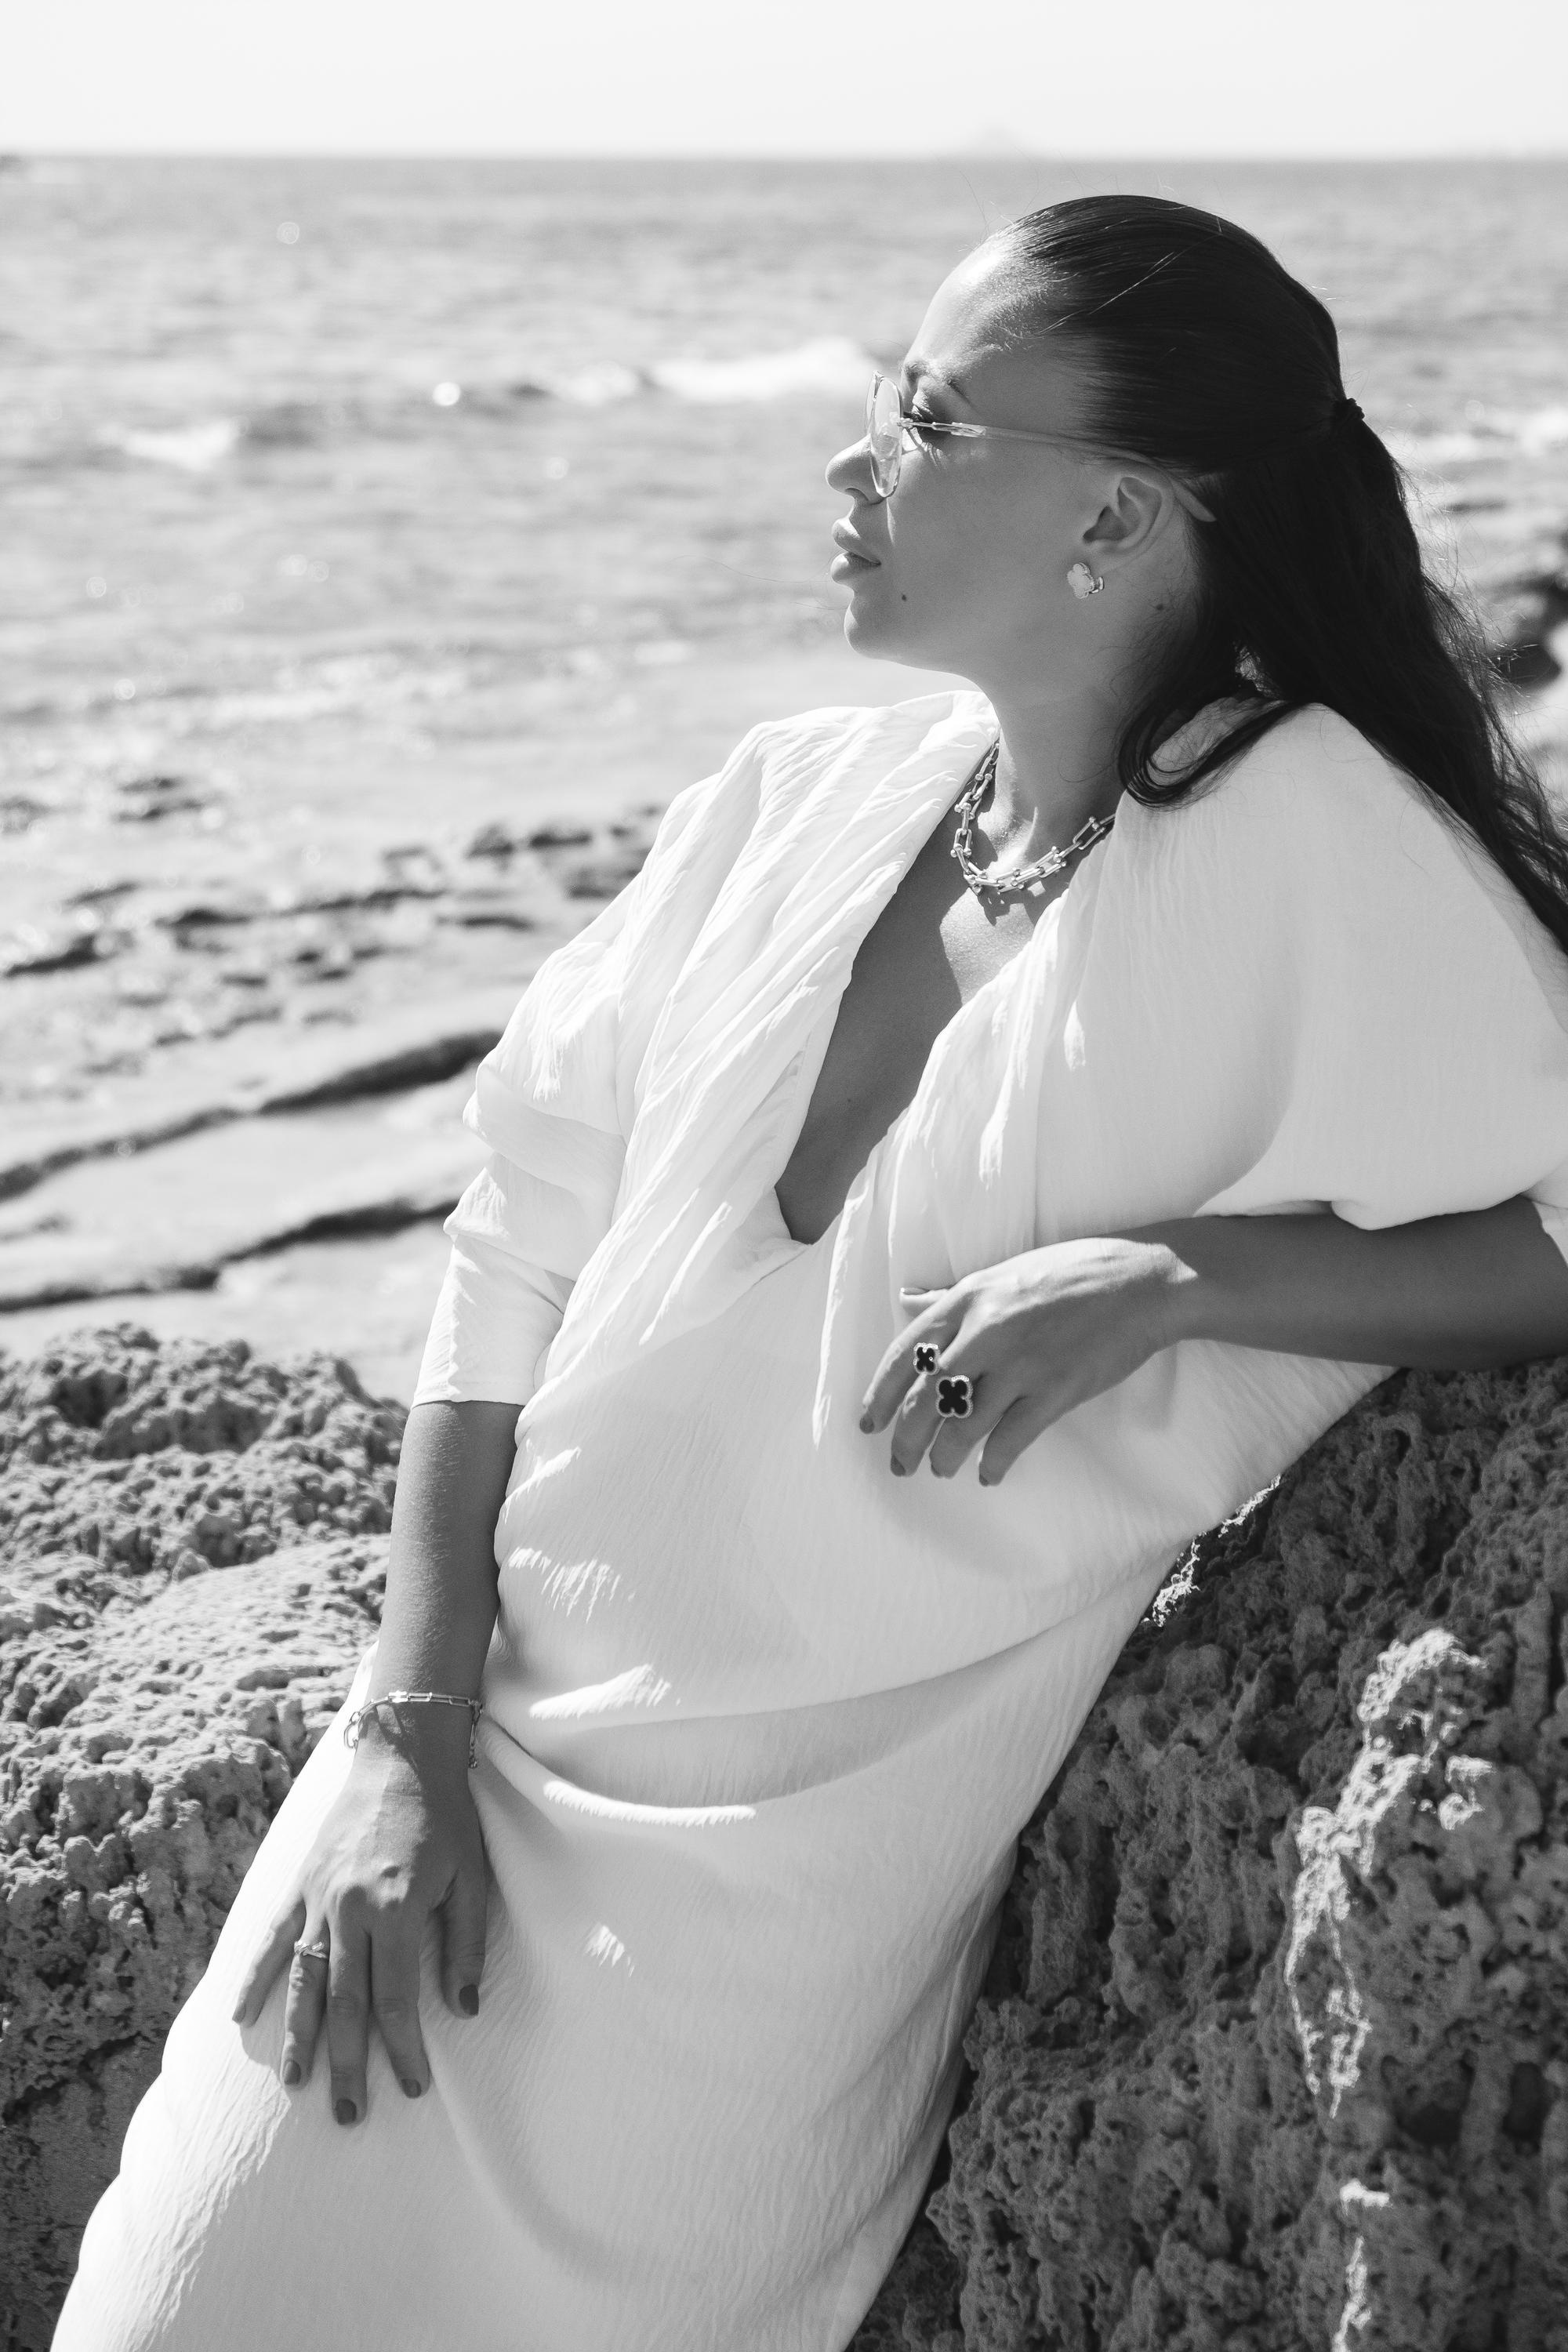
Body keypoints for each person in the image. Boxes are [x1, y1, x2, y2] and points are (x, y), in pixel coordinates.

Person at [55, 196, 1568, 2352]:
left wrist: (1178, 1272)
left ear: (1118, 515)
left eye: (930, 415)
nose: (850, 463)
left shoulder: (1300, 839)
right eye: (877, 395)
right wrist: (403, 1727)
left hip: (759, 1949)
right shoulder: (800, 797)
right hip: (440, 1783)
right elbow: (513, 1229)